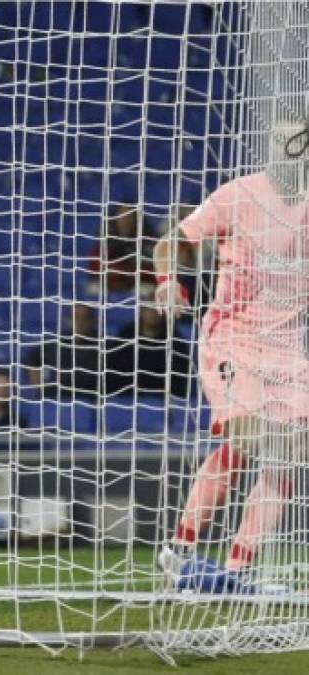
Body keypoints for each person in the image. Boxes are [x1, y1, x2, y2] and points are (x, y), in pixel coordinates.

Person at [151, 118, 309, 593]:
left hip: (287, 349)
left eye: (296, 143)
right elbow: (169, 243)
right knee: (246, 438)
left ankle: (238, 570)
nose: (289, 151)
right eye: (281, 143)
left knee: (293, 454)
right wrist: (167, 281)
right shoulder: (239, 193)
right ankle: (178, 552)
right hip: (233, 338)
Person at [106, 305, 191, 398]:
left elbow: (179, 377)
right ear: (142, 311)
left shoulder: (176, 340)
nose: (153, 313)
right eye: (149, 308)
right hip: (127, 396)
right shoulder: (126, 335)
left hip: (163, 398)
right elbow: (115, 368)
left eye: (158, 309)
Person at [22, 304, 102, 401]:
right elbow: (32, 360)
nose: (79, 322)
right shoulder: (55, 343)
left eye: (84, 318)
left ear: (92, 321)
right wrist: (40, 388)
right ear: (69, 320)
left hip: (91, 398)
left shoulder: (103, 346)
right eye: (76, 317)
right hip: (55, 397)